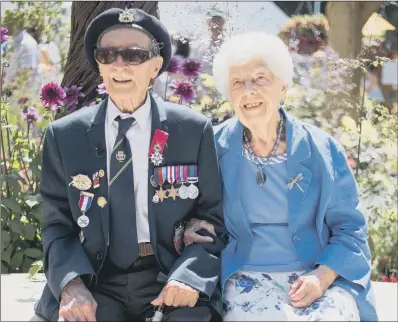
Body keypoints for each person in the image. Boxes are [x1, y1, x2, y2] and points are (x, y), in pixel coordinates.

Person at [34, 8, 226, 322]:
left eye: (134, 55)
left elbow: (212, 218)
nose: (120, 65)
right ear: (99, 64)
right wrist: (71, 284)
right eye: (108, 54)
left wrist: (190, 276)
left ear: (155, 66)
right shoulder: (64, 136)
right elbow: (57, 226)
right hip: (97, 281)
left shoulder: (191, 130)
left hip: (169, 279)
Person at [181, 32, 378, 321]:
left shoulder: (321, 149)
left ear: (283, 86)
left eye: (260, 79)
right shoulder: (214, 148)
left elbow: (351, 227)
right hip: (242, 275)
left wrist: (322, 277)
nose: (248, 90)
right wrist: (189, 226)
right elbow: (193, 212)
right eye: (237, 82)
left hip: (316, 273)